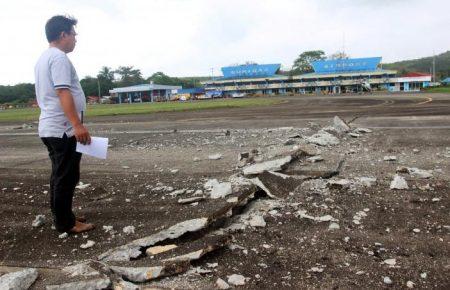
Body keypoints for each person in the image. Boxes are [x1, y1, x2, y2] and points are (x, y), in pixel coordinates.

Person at [35, 15, 95, 234]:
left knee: (59, 174)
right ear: (63, 35)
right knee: (67, 175)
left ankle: (63, 215)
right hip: (62, 128)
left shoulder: (45, 57)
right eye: (73, 34)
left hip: (52, 127)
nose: (75, 39)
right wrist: (77, 125)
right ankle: (65, 223)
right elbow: (62, 91)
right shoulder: (59, 58)